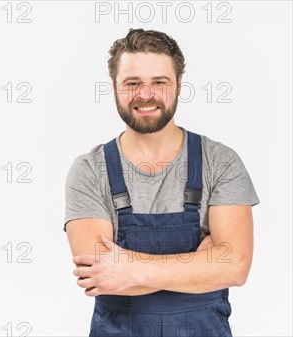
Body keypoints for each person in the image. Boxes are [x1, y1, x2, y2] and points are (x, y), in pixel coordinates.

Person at [63, 28, 260, 337]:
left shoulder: (220, 162)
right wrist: (200, 264)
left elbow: (235, 267)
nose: (146, 94)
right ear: (114, 87)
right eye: (132, 83)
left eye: (159, 82)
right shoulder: (90, 170)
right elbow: (100, 275)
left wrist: (128, 268)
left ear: (179, 86)